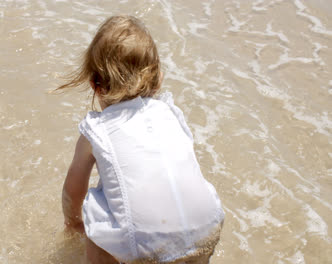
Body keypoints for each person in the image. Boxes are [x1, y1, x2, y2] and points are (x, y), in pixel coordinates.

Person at [58, 15, 225, 264]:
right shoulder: (170, 112)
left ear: (95, 84)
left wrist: (73, 224)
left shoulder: (97, 129)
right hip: (208, 225)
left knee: (95, 207)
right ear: (158, 79)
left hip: (142, 245)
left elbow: (74, 190)